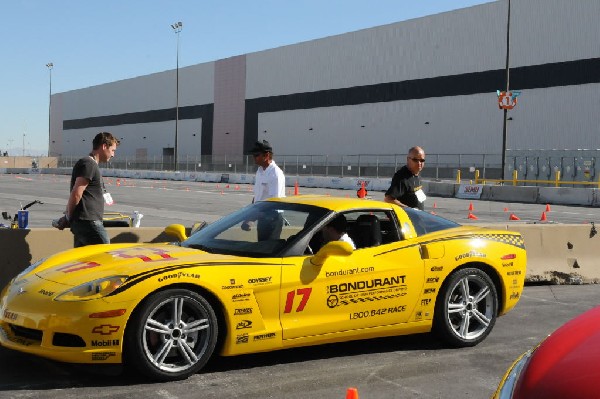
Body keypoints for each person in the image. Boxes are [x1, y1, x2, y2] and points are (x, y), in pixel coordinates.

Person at [55, 132, 119, 247]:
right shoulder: (89, 163)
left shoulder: (90, 164)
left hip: (85, 222)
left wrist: (68, 217)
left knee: (83, 262)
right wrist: (68, 217)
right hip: (89, 222)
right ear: (104, 146)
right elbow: (76, 193)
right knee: (104, 255)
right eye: (113, 150)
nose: (113, 154)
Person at [242, 140, 286, 240]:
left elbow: (275, 203)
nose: (254, 158)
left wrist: (253, 218)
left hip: (272, 218)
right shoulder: (260, 171)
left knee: (268, 250)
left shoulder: (275, 174)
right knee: (261, 248)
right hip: (262, 217)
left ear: (266, 155)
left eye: (256, 155)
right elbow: (258, 197)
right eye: (253, 155)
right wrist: (250, 216)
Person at [384, 146, 426, 210]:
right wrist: (409, 210)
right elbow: (388, 199)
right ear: (408, 159)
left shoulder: (416, 174)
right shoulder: (402, 177)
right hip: (407, 218)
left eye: (422, 160)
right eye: (415, 160)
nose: (419, 163)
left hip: (418, 217)